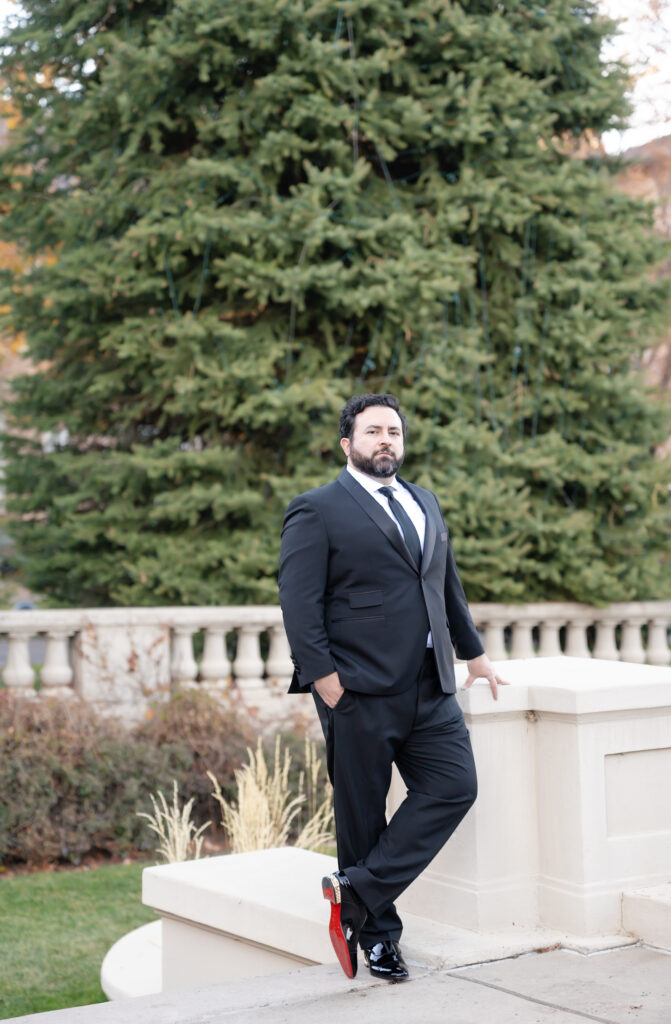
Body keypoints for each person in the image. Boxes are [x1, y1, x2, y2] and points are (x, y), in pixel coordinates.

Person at [278, 393, 508, 983]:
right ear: (346, 443)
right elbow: (299, 605)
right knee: (362, 818)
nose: (387, 439)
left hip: (432, 688)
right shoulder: (317, 509)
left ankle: (354, 893)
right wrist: (325, 682)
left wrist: (475, 655)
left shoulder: (424, 501)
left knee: (455, 786)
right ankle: (379, 939)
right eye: (374, 430)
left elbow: (445, 586)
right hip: (356, 690)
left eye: (395, 431)